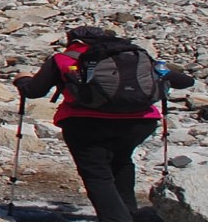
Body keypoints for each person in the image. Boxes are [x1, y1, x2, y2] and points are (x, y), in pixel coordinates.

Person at [13, 26, 196, 222]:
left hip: (85, 123)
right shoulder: (134, 55)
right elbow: (185, 82)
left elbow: (33, 91)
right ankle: (130, 213)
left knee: (97, 174)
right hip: (140, 122)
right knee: (121, 161)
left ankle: (117, 219)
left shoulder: (63, 59)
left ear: (74, 41)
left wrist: (22, 80)